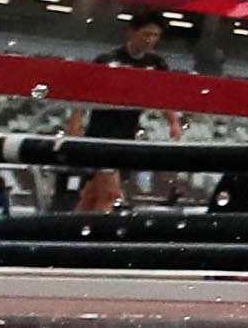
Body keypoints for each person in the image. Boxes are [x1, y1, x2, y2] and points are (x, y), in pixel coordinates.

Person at [61, 14, 178, 214]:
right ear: (132, 32)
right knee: (110, 194)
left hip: (127, 133)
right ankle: (94, 239)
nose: (150, 39)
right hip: (101, 133)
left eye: (155, 35)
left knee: (92, 195)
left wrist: (173, 121)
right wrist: (75, 123)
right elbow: (84, 93)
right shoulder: (108, 60)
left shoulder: (157, 64)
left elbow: (162, 95)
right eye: (146, 34)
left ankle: (69, 234)